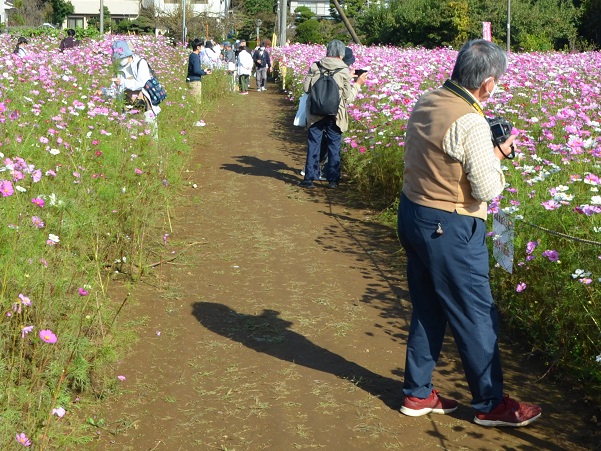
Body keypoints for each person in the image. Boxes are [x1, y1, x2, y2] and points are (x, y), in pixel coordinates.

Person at [397, 39, 541, 427]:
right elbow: (488, 190)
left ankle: (418, 393)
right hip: (451, 225)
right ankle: (490, 404)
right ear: (488, 84)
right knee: (476, 312)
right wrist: (498, 155)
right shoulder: (471, 121)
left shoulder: (428, 99)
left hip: (414, 213)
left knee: (428, 306)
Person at [299, 40, 367, 189]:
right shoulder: (343, 71)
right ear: (342, 54)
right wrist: (358, 84)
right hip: (336, 114)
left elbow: (306, 89)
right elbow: (347, 98)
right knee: (334, 145)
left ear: (327, 51)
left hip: (316, 112)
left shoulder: (315, 66)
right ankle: (333, 180)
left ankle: (309, 178)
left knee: (314, 144)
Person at [98, 40, 161, 137]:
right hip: (127, 105)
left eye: (122, 57)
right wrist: (103, 92)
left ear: (129, 54)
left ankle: (153, 152)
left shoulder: (140, 63)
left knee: (150, 133)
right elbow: (115, 88)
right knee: (131, 135)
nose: (120, 60)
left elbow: (141, 83)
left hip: (144, 104)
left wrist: (123, 82)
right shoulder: (118, 68)